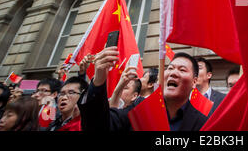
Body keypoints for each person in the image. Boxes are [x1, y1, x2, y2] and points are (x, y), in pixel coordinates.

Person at [79, 48, 207, 131]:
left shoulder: (203, 123)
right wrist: (98, 81)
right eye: (170, 68)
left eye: (182, 70)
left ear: (194, 82)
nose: (173, 73)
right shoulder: (139, 109)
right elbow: (99, 127)